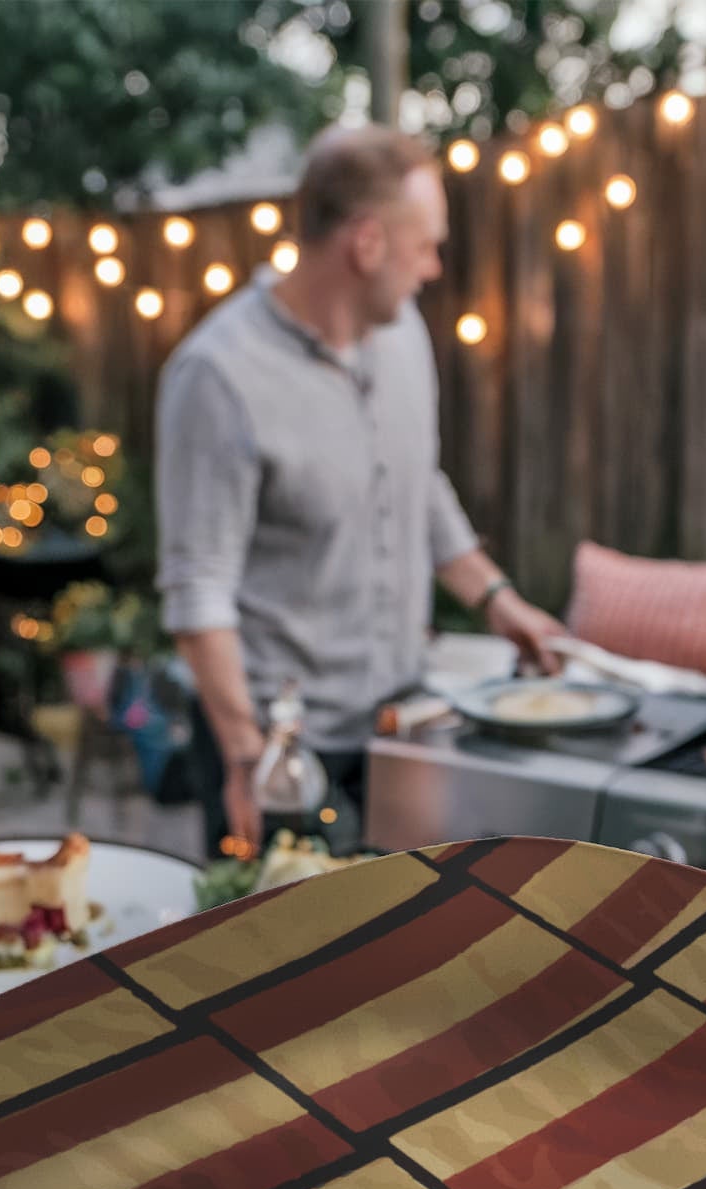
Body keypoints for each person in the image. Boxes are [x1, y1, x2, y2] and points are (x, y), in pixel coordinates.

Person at [155, 123, 566, 856]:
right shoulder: (219, 376)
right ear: (366, 242)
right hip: (280, 754)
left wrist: (498, 600)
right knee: (277, 966)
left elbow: (418, 481)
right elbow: (198, 591)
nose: (435, 267)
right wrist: (249, 760)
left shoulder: (404, 333)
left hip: (398, 732)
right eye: (425, 245)